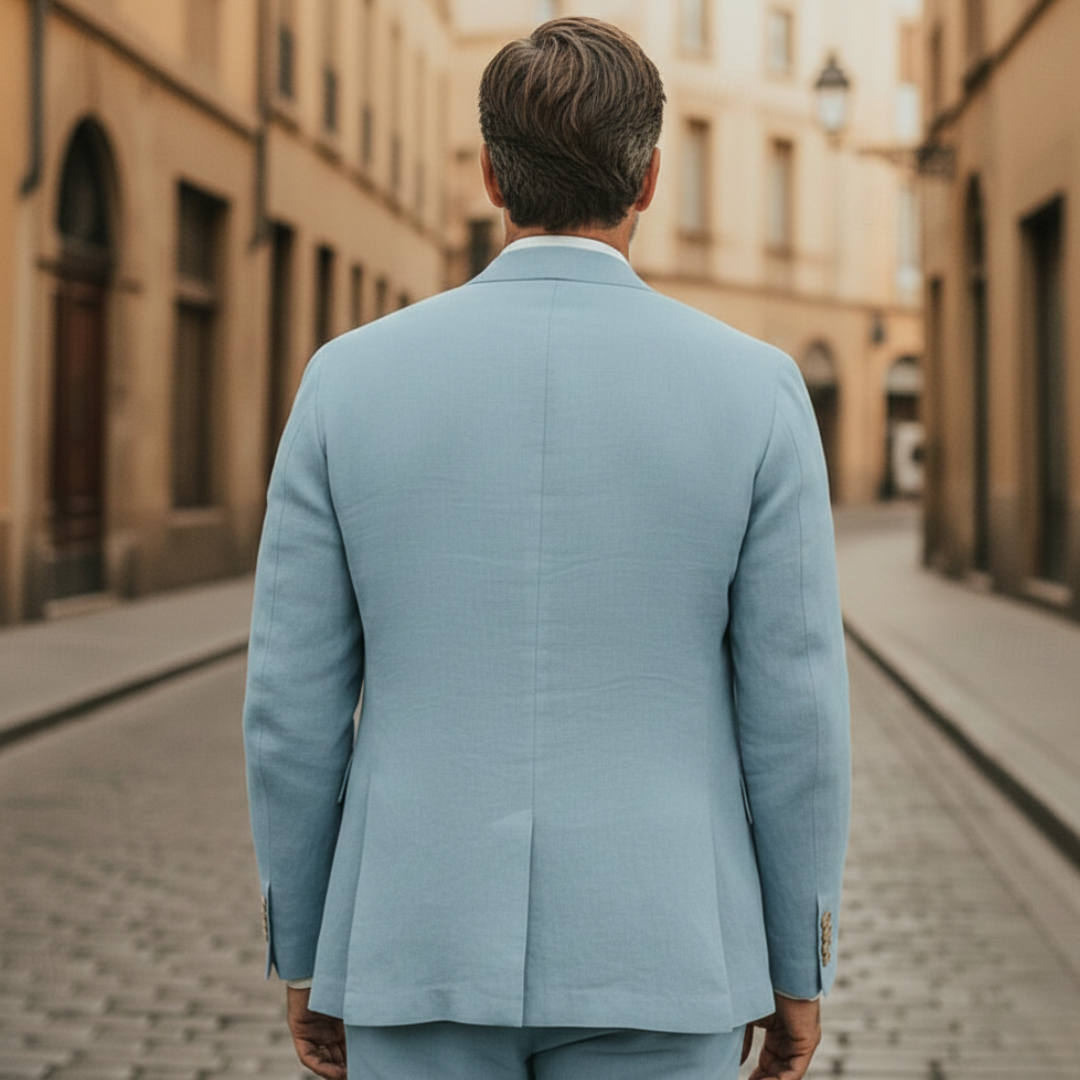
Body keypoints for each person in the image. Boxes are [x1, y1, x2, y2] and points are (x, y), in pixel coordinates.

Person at [243, 16, 850, 1080]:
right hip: (667, 952)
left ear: (490, 174)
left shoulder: (346, 378)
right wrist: (796, 965)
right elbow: (796, 714)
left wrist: (305, 947)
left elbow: (289, 715)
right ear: (651, 179)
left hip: (412, 943)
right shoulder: (757, 389)